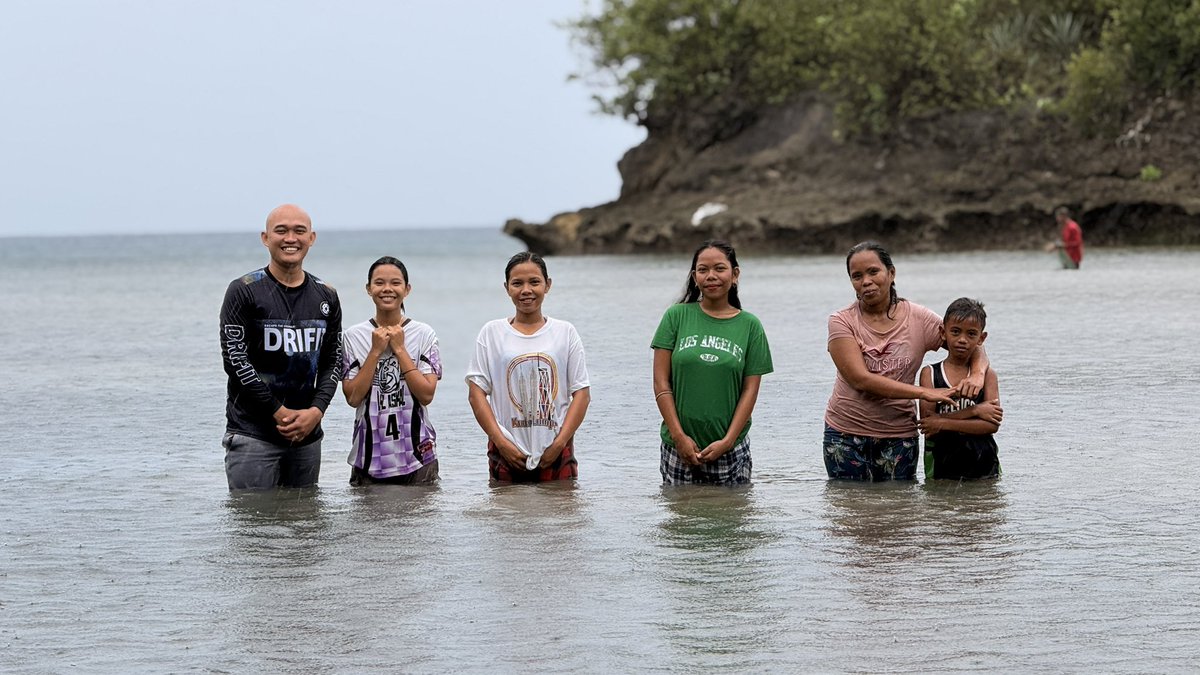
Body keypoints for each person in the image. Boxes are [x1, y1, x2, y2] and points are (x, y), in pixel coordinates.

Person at [823, 241, 986, 482]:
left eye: (873, 272)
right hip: (845, 434)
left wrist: (977, 374)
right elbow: (860, 380)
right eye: (856, 276)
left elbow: (968, 341)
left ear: (891, 273)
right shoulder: (841, 321)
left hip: (899, 436)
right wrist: (923, 393)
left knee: (899, 513)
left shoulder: (918, 318)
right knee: (851, 513)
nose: (866, 281)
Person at [219, 204, 342, 490]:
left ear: (311, 238)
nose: (291, 238)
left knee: (306, 526)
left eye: (299, 231)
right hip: (253, 434)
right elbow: (235, 360)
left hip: (307, 436)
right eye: (281, 231)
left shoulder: (326, 295)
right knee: (255, 529)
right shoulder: (244, 290)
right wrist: (278, 411)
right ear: (265, 237)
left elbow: (333, 360)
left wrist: (316, 411)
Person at [651, 240, 773, 485]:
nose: (711, 276)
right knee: (680, 521)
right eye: (703, 270)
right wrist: (679, 437)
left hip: (730, 450)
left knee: (730, 521)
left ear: (735, 274)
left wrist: (727, 441)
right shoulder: (676, 316)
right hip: (677, 448)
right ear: (694, 277)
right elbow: (661, 382)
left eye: (719, 268)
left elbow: (750, 391)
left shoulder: (750, 326)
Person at [465, 252, 591, 482]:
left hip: (555, 448)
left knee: (561, 518)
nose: (526, 290)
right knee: (507, 516)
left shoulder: (565, 332)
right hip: (506, 450)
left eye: (534, 282)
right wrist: (501, 443)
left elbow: (581, 393)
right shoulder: (491, 333)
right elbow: (476, 394)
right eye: (517, 283)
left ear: (547, 285)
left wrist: (560, 442)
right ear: (506, 288)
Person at [341, 256, 442, 485]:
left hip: (418, 455)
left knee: (418, 520)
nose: (387, 289)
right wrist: (375, 351)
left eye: (395, 283)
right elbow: (353, 397)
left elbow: (427, 394)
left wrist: (399, 348)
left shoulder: (424, 334)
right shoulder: (354, 336)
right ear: (368, 289)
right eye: (379, 283)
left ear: (407, 289)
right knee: (368, 521)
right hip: (368, 456)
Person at [918, 298, 1003, 480]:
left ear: (982, 338)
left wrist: (943, 422)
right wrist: (976, 410)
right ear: (943, 332)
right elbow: (928, 425)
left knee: (984, 505)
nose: (962, 340)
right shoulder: (930, 374)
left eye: (971, 334)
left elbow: (991, 425)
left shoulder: (988, 376)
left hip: (984, 464)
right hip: (941, 465)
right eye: (955, 332)